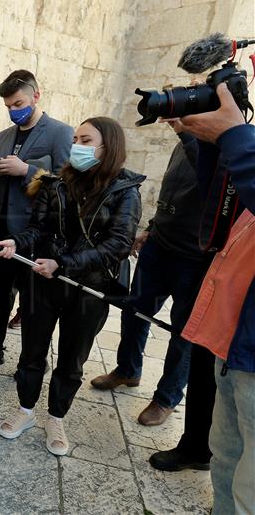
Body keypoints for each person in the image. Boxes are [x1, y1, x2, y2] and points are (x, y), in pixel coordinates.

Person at [0, 116, 143, 455]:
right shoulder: (55, 182)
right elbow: (39, 228)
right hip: (43, 281)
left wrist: (65, 263)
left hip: (88, 290)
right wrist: (17, 242)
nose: (77, 145)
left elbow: (118, 244)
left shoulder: (125, 191)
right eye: (75, 138)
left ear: (109, 147)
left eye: (86, 140)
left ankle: (56, 416)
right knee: (31, 353)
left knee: (72, 361)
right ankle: (26, 411)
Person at [90, 127, 209, 426]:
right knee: (135, 311)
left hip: (194, 258)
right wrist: (152, 228)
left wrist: (186, 132)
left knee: (183, 332)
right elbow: (175, 195)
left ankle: (166, 398)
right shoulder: (184, 145)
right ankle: (128, 370)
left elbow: (214, 186)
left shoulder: (222, 146)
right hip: (159, 247)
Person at [175, 84, 255, 512]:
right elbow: (225, 199)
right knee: (225, 457)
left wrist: (236, 135)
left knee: (251, 488)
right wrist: (211, 142)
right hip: (234, 343)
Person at [0, 70, 72, 365]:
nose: (13, 111)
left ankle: (32, 361)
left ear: (36, 96)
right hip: (0, 227)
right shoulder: (4, 136)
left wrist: (27, 171)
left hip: (35, 232)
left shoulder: (60, 132)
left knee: (33, 302)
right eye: (8, 106)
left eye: (18, 104)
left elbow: (66, 183)